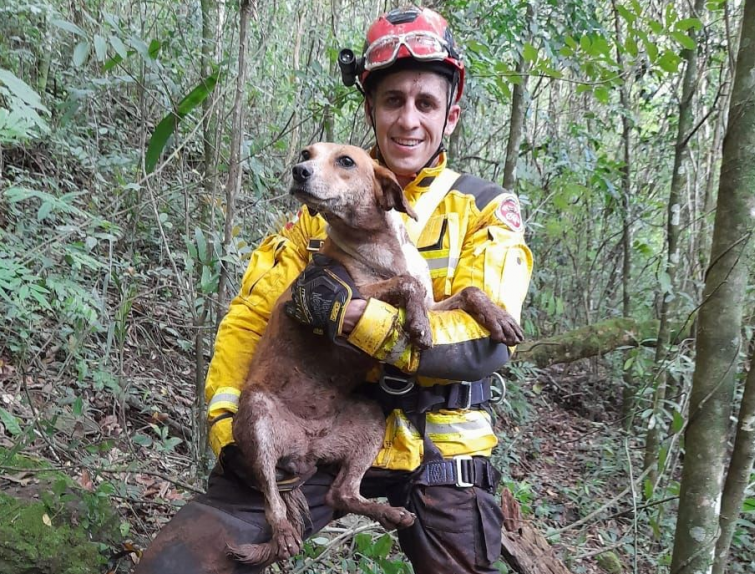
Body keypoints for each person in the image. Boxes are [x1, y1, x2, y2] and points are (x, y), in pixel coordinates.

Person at [135, 6, 532, 574]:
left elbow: (481, 348)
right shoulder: (314, 215)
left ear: (451, 116)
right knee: (174, 566)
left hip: (444, 449)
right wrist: (230, 429)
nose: (408, 120)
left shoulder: (485, 208)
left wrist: (352, 318)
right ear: (371, 110)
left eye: (425, 103)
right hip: (312, 427)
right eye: (393, 101)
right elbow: (248, 321)